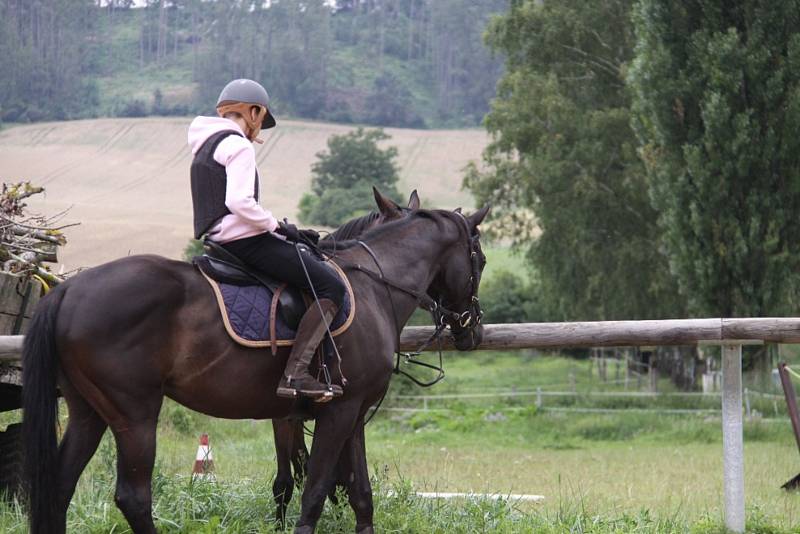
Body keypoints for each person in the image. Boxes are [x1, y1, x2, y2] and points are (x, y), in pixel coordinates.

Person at [187, 79, 345, 400]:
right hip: (247, 243)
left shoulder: (206, 145)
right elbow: (239, 203)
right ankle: (296, 374)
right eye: (261, 122)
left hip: (221, 242)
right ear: (254, 112)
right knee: (331, 286)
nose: (259, 133)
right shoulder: (239, 146)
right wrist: (278, 226)